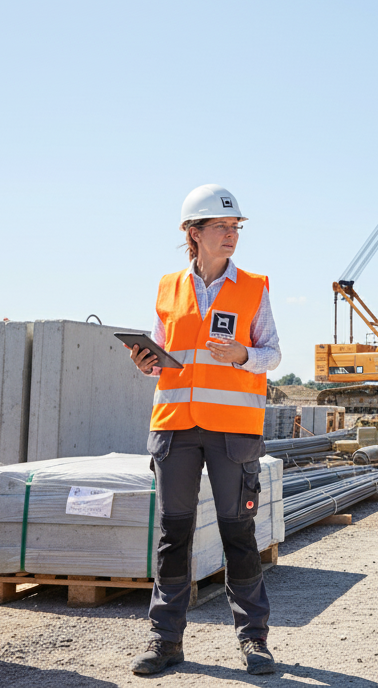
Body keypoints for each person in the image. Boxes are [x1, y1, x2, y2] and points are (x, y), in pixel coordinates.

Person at [127, 184, 281, 676]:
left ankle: (253, 640)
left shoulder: (254, 287)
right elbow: (159, 354)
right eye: (222, 227)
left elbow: (273, 354)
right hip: (175, 427)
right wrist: (145, 361)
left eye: (235, 227)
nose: (232, 235)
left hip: (233, 432)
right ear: (193, 234)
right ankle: (165, 639)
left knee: (239, 533)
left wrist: (243, 356)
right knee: (174, 534)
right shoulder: (168, 288)